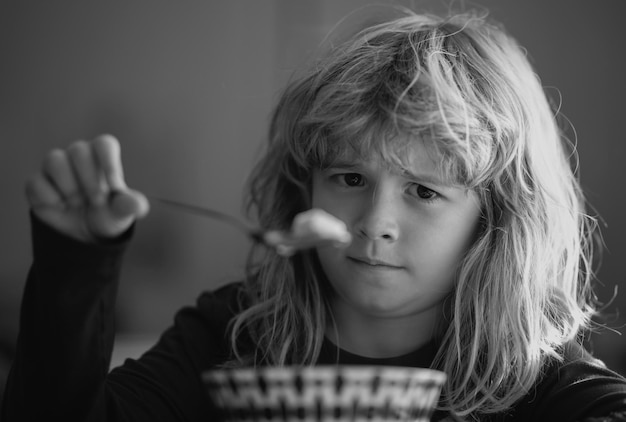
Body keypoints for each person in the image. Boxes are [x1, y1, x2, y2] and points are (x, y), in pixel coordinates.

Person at [3, 8, 626, 422]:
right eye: (350, 178)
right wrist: (74, 265)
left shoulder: (542, 385)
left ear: (497, 216)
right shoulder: (232, 338)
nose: (374, 221)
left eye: (425, 191)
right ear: (306, 187)